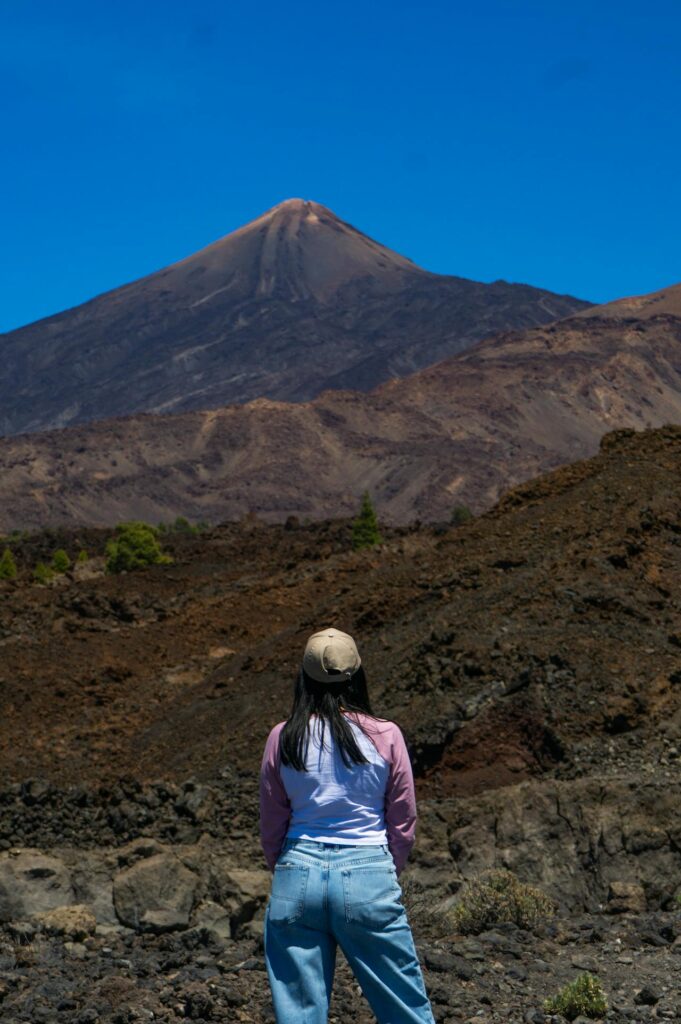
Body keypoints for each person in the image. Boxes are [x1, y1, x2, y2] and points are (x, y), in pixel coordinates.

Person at [259, 627, 436, 1024]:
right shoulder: (386, 735)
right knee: (404, 1010)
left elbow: (272, 821)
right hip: (367, 871)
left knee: (299, 1015)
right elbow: (403, 818)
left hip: (297, 872)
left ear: (303, 679)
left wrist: (284, 869)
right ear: (357, 676)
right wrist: (388, 867)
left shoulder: (283, 736)